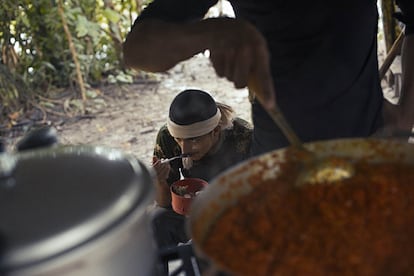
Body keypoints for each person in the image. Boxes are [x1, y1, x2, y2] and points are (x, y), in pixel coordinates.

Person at [123, 0, 414, 157]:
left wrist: (405, 115)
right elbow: (138, 49)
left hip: (372, 145)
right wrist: (213, 32)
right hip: (278, 153)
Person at [149, 89, 252, 249]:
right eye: (179, 140)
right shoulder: (167, 137)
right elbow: (165, 204)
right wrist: (161, 182)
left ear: (215, 131)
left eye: (194, 140)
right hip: (192, 211)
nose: (184, 150)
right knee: (156, 223)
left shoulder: (244, 138)